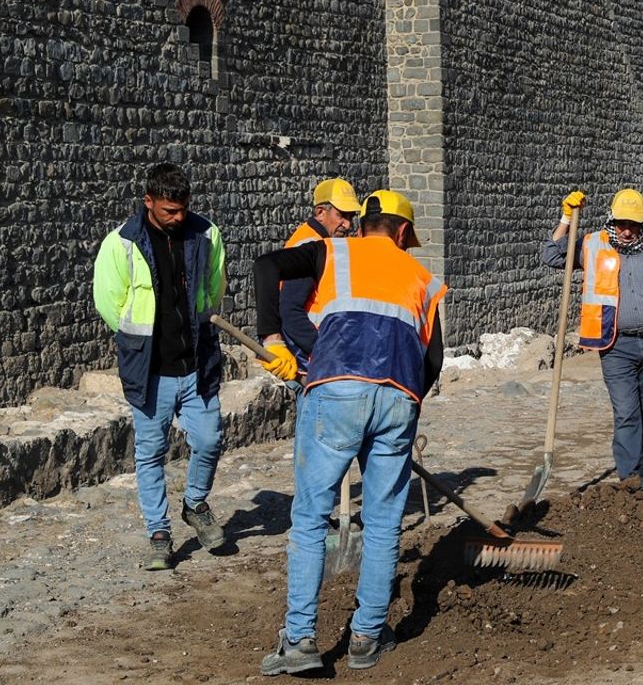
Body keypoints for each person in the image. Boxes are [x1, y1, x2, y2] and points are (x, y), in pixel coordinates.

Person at [253, 190, 445, 675]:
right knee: (382, 523)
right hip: (399, 397)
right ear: (403, 232)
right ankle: (367, 636)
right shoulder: (423, 279)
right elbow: (434, 359)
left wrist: (273, 338)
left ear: (365, 224)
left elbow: (265, 268)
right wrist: (403, 404)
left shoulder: (329, 252)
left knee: (311, 519)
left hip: (336, 391)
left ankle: (298, 641)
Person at [92, 162, 229, 571]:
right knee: (151, 454)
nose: (178, 217)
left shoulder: (206, 234)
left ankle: (195, 504)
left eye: (183, 209)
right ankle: (159, 533)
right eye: (170, 210)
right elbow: (109, 303)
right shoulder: (121, 244)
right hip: (150, 369)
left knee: (208, 441)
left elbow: (215, 285)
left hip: (196, 364)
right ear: (148, 201)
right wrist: (138, 343)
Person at [540, 189, 643, 489]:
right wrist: (566, 218)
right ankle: (631, 481)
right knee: (626, 413)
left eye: (632, 225)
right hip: (615, 346)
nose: (626, 230)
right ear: (611, 219)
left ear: (641, 224)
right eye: (621, 223)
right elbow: (551, 254)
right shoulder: (592, 246)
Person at [280, 178, 363, 372]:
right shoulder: (308, 248)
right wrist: (325, 353)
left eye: (351, 217)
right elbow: (290, 311)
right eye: (342, 215)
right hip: (306, 357)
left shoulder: (320, 242)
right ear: (320, 213)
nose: (348, 224)